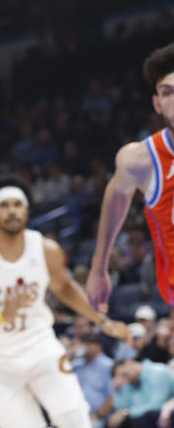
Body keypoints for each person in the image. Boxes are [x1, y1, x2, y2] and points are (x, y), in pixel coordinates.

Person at [0, 176, 129, 428]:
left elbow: (66, 288)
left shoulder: (45, 248)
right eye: (4, 205)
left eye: (17, 204)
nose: (12, 211)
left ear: (27, 211)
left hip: (40, 347)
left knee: (75, 418)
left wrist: (102, 320)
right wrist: (0, 316)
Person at [87, 43, 174, 311]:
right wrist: (98, 268)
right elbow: (117, 195)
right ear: (157, 104)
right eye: (168, 92)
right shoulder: (141, 159)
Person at [107, 358, 174, 428]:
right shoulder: (130, 382)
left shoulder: (159, 372)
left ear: (130, 363)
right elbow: (121, 409)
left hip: (164, 416)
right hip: (147, 419)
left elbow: (157, 405)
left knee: (144, 419)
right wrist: (118, 390)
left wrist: (127, 412)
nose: (125, 380)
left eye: (124, 374)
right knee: (115, 423)